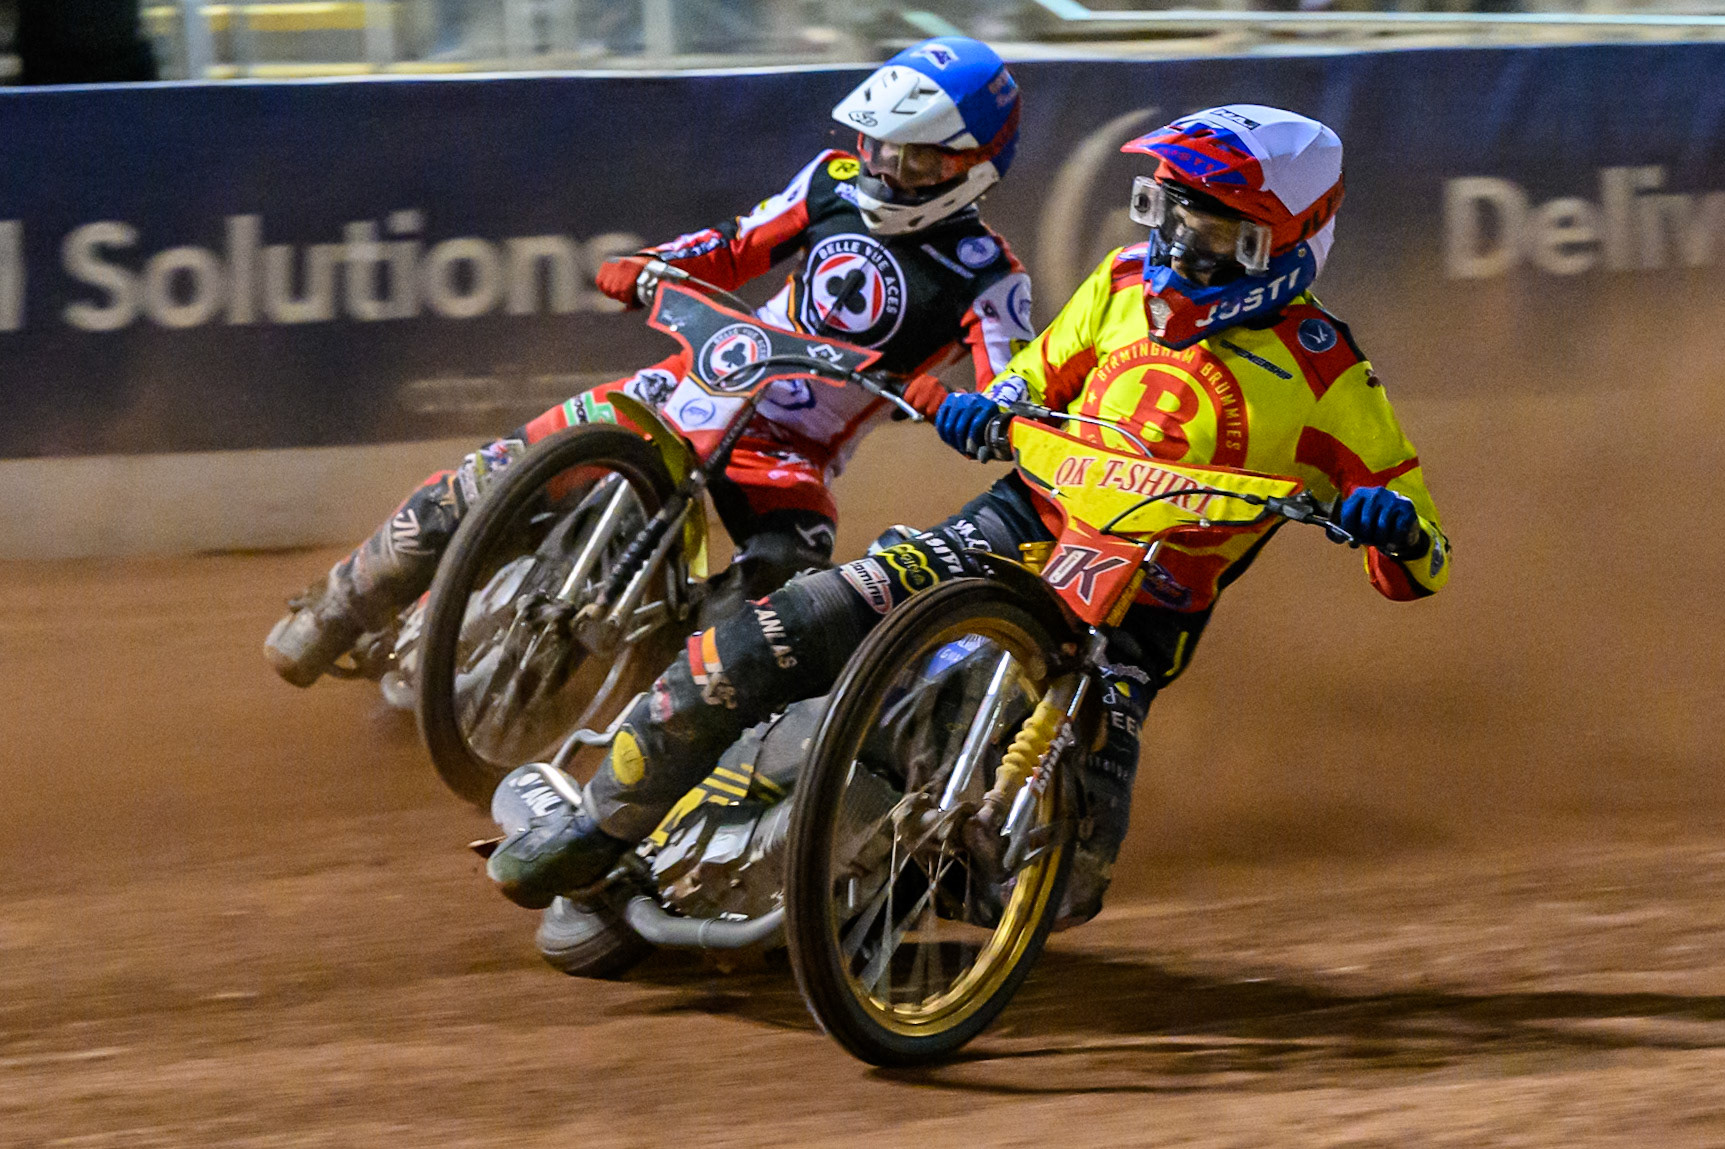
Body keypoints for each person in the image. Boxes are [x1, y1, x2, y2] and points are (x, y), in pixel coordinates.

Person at [483, 104, 1452, 924]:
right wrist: (994, 405)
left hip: (1133, 622)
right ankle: (596, 824)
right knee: (760, 641)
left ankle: (872, 886)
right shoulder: (1119, 286)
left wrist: (1394, 529)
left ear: (1285, 244)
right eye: (1164, 214)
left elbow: (1426, 551)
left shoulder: (1330, 376)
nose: (1175, 249)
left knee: (1060, 886)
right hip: (1007, 528)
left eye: (1211, 234)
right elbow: (1035, 374)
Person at [265, 35, 1035, 688]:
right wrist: (651, 264)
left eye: (914, 160)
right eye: (880, 148)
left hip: (790, 459)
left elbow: (1013, 391)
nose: (886, 170)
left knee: (775, 597)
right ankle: (339, 605)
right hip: (695, 380)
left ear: (970, 167)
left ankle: (646, 713)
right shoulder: (831, 180)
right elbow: (735, 246)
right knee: (498, 470)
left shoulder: (987, 273)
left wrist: (975, 414)